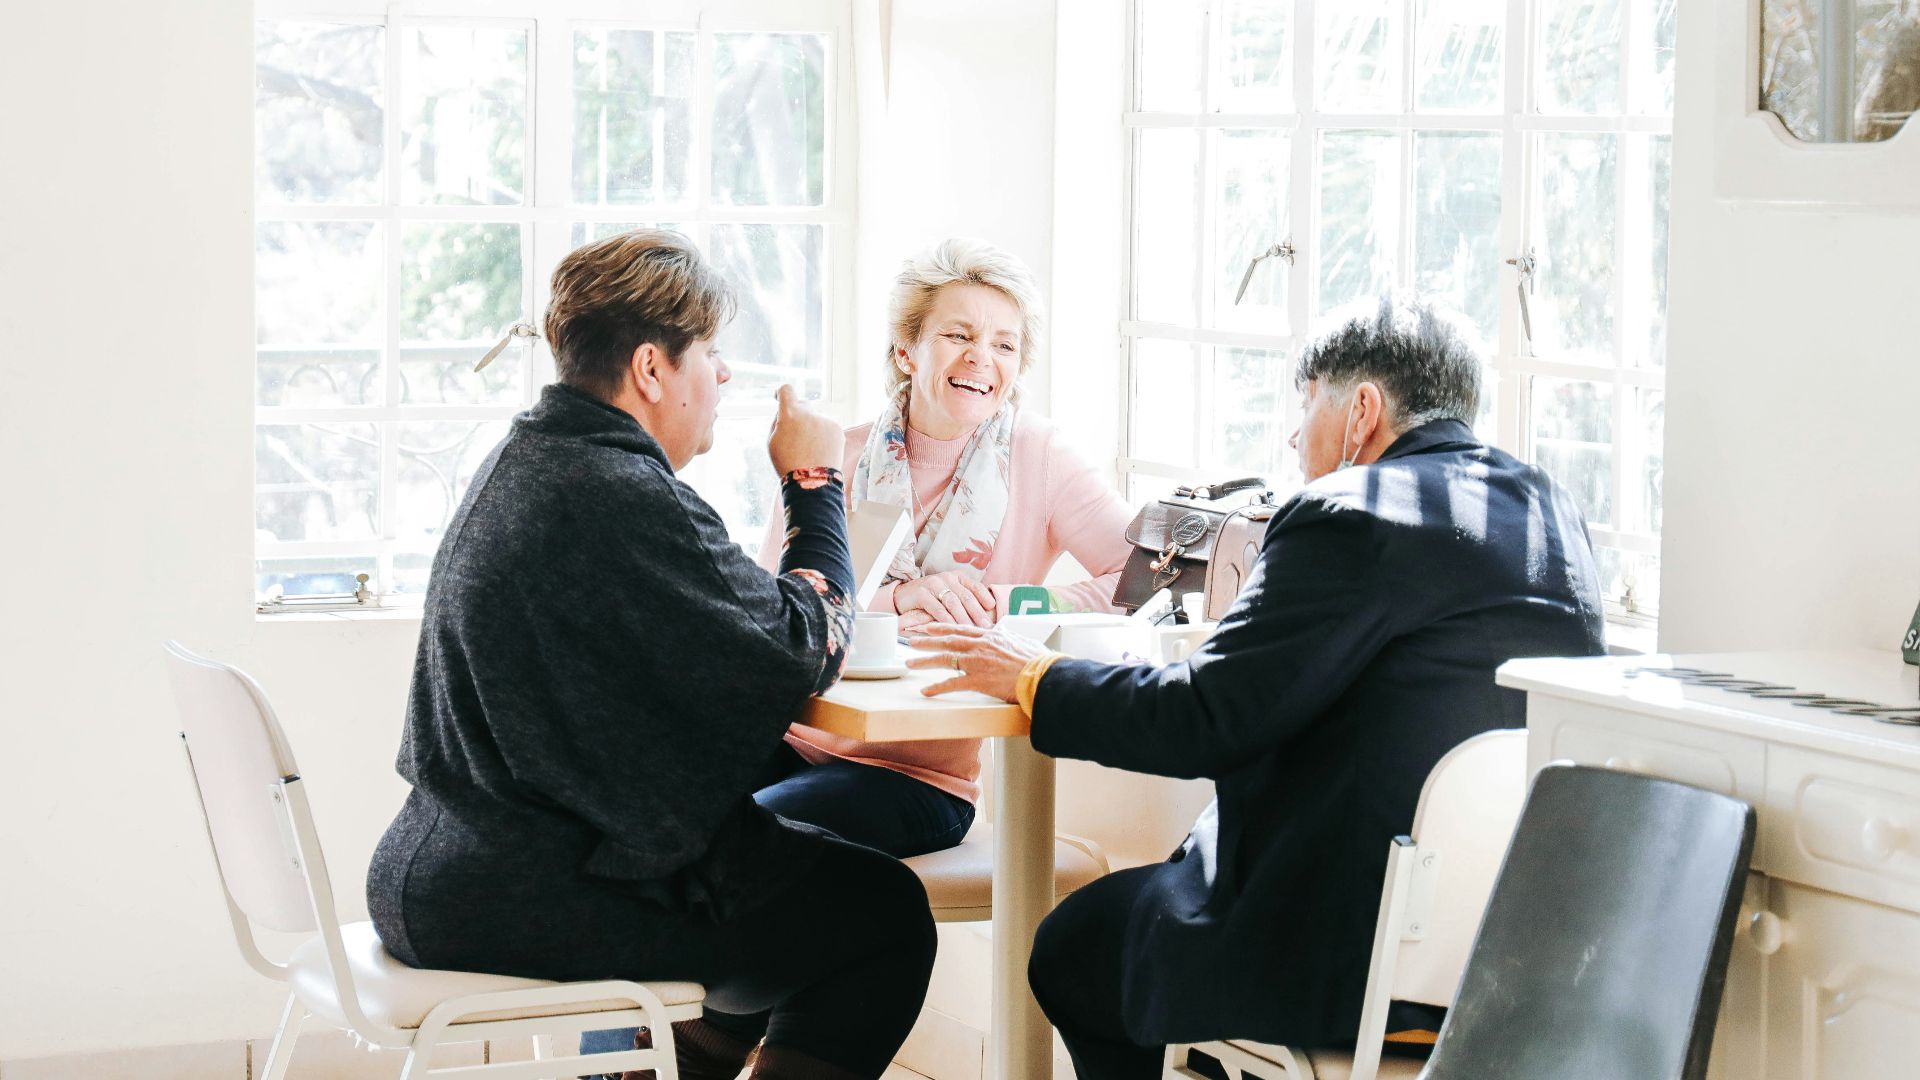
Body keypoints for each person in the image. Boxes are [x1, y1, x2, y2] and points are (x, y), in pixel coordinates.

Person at [907, 294, 1607, 1077]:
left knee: (1074, 946)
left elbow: (1204, 717)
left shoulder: (1347, 510)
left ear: (1362, 412)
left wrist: (1034, 675)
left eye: (1306, 408)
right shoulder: (1549, 512)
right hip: (1504, 958)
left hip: (1340, 948)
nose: (1292, 436)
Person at [365, 230, 935, 1080]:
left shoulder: (530, 459)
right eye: (709, 351)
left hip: (440, 867)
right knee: (880, 914)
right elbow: (805, 648)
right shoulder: (620, 492)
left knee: (788, 873)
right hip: (520, 892)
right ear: (651, 368)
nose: (725, 374)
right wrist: (815, 481)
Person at [748, 237, 1134, 857]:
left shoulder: (1040, 456)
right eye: (959, 336)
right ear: (907, 351)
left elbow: (1141, 580)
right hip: (788, 736)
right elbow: (771, 612)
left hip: (915, 778)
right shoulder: (835, 456)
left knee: (750, 841)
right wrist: (903, 598)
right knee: (665, 815)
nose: (982, 358)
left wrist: (994, 604)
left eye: (1004, 345)